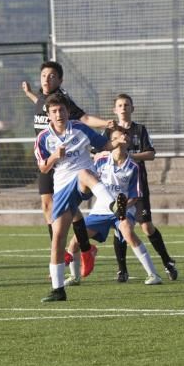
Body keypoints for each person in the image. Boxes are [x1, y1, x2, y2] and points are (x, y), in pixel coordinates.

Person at [21, 60, 108, 276]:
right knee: (49, 206)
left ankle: (74, 252)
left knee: (58, 207)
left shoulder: (62, 101)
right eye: (43, 76)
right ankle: (81, 250)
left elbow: (84, 118)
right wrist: (30, 94)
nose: (46, 79)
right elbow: (39, 104)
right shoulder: (43, 98)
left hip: (65, 161)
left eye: (51, 76)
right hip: (46, 157)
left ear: (60, 80)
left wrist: (106, 123)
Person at [36, 93, 119, 302]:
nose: (58, 114)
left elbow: (105, 145)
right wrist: (56, 155)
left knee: (83, 173)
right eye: (54, 111)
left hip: (85, 181)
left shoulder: (80, 129)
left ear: (67, 111)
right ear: (48, 115)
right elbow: (44, 168)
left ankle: (112, 203)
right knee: (57, 238)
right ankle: (58, 289)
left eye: (61, 110)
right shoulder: (43, 138)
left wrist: (118, 141)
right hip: (62, 188)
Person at [65, 125, 162, 286]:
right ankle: (74, 277)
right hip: (101, 211)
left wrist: (123, 206)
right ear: (111, 142)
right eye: (117, 136)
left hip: (123, 211)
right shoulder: (101, 161)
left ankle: (153, 275)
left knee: (127, 232)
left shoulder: (133, 167)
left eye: (125, 135)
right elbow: (87, 179)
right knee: (75, 241)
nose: (123, 137)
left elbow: (135, 196)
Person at [107, 94, 177, 282]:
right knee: (120, 226)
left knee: (146, 227)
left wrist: (130, 157)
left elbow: (151, 154)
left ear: (132, 108)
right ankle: (122, 270)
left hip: (137, 186)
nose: (123, 108)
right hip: (116, 187)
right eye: (120, 105)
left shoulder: (139, 130)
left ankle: (167, 261)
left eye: (127, 105)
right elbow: (100, 152)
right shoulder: (110, 131)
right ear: (115, 110)